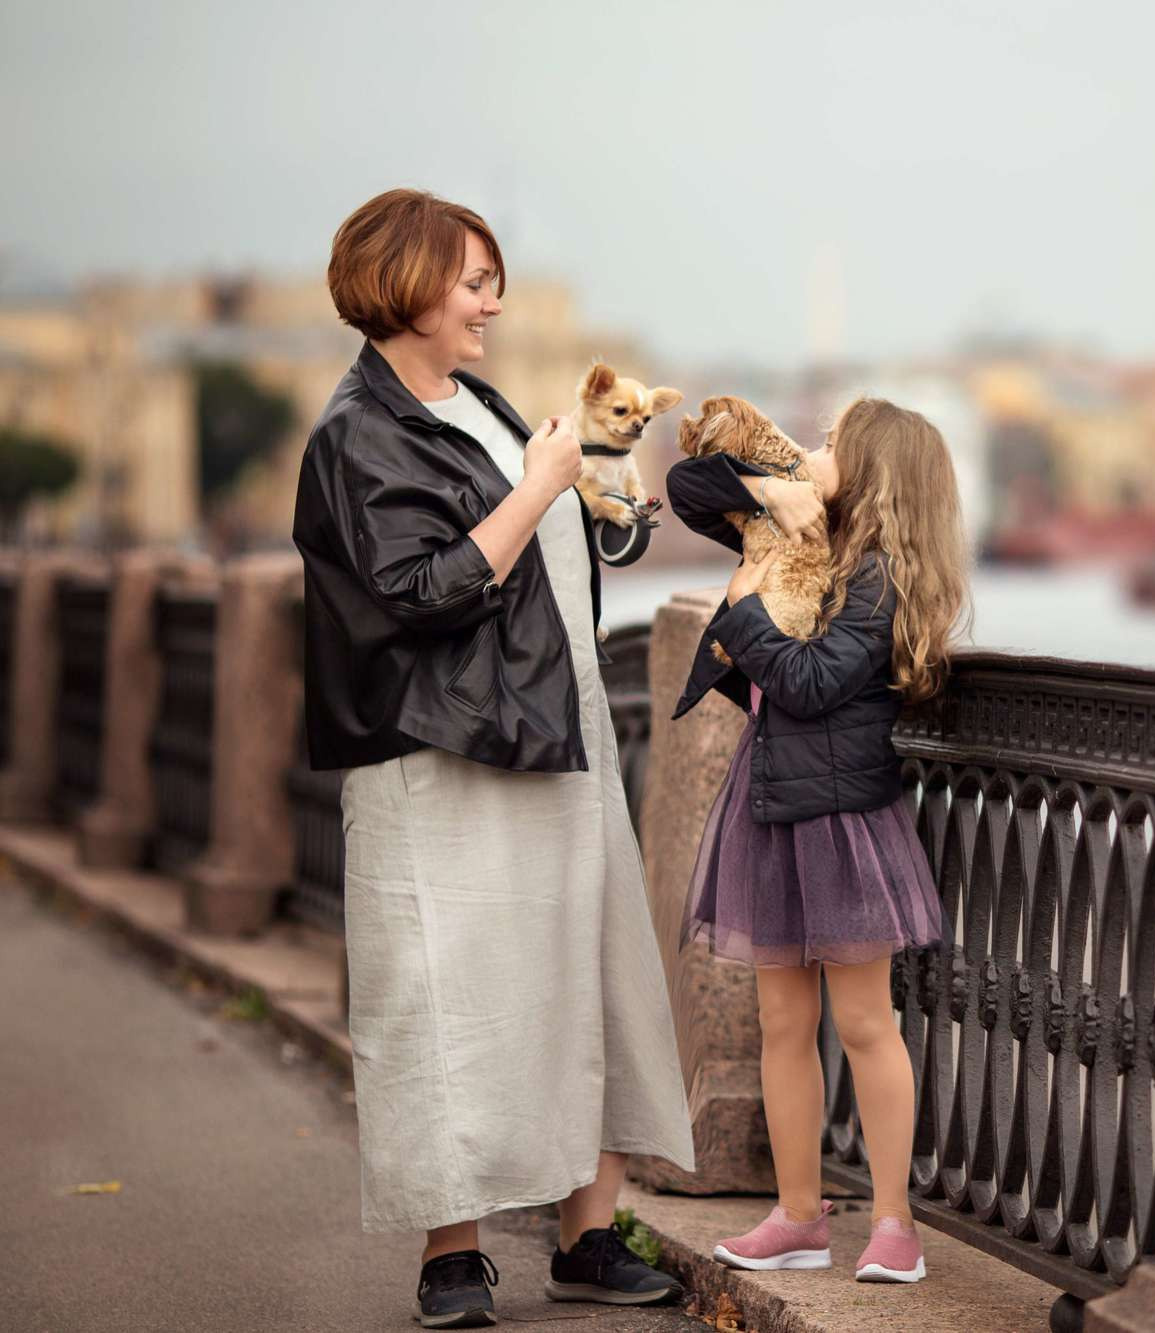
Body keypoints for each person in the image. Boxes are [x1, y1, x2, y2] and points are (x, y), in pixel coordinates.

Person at [291, 188, 696, 1329]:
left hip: (542, 730)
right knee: (446, 995)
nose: (493, 301)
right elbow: (418, 590)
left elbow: (527, 544)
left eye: (490, 279)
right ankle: (451, 1256)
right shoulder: (354, 435)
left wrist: (594, 513)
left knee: (588, 972)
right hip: (439, 750)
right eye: (473, 281)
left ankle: (586, 1236)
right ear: (407, 284)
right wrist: (537, 488)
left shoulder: (472, 402)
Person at [665, 397, 969, 1284]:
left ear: (872, 469)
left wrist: (740, 610)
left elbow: (806, 683)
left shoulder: (874, 579)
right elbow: (686, 488)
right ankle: (799, 1216)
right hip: (772, 809)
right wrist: (769, 486)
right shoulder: (800, 536)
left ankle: (894, 1225)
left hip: (842, 821)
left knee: (866, 1022)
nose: (814, 449)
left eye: (834, 442)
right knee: (782, 1023)